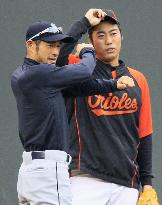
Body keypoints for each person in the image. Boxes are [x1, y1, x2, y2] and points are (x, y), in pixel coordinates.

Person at [11, 9, 135, 205]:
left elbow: (78, 88)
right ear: (30, 45)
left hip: (32, 171)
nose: (55, 51)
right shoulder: (40, 74)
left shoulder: (27, 75)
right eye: (50, 45)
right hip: (48, 171)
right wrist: (87, 51)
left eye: (58, 46)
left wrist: (113, 84)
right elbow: (84, 71)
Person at [58, 9, 158, 205]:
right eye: (100, 35)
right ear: (91, 41)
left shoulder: (138, 79)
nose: (109, 41)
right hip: (85, 178)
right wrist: (84, 22)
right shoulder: (79, 70)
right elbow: (58, 56)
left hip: (126, 183)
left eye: (113, 33)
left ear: (122, 36)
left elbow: (144, 134)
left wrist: (147, 183)